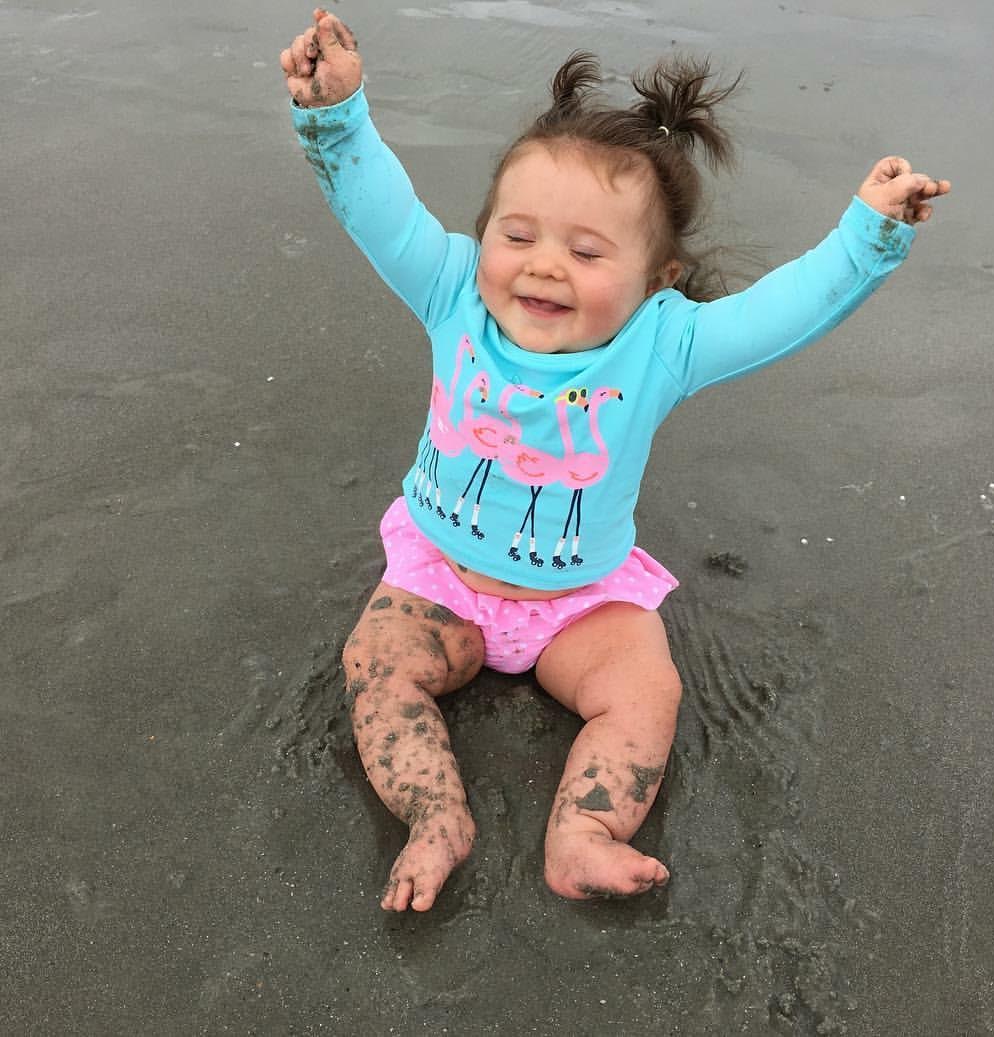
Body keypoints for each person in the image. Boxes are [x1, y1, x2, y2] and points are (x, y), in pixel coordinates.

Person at [280, 8, 949, 913]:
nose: (544, 265)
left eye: (587, 251)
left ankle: (585, 833)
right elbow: (378, 209)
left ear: (656, 279)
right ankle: (433, 814)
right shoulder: (451, 293)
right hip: (439, 579)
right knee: (375, 662)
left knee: (647, 690)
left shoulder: (662, 345)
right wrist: (335, 116)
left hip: (581, 604)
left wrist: (868, 236)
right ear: (485, 235)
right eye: (518, 235)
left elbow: (778, 314)